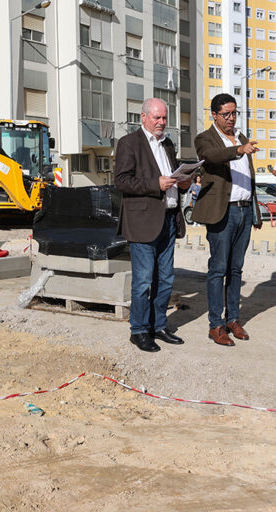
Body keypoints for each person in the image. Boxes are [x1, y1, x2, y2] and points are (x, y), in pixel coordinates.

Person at [114, 98, 189, 353]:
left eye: (164, 118)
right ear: (143, 117)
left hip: (168, 219)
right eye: (156, 117)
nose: (161, 122)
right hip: (143, 222)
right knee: (144, 281)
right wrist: (154, 184)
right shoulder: (129, 143)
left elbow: (171, 174)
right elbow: (122, 181)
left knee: (165, 279)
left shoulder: (167, 143)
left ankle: (158, 325)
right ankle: (139, 330)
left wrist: (183, 181)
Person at [192, 93, 263, 347]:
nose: (231, 118)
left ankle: (233, 319)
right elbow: (211, 157)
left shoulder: (242, 137)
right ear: (214, 114)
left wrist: (254, 211)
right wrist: (238, 150)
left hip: (244, 211)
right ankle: (216, 324)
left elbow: (250, 178)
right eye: (226, 114)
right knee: (218, 269)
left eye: (234, 113)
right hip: (223, 212)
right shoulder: (205, 138)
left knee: (236, 269)